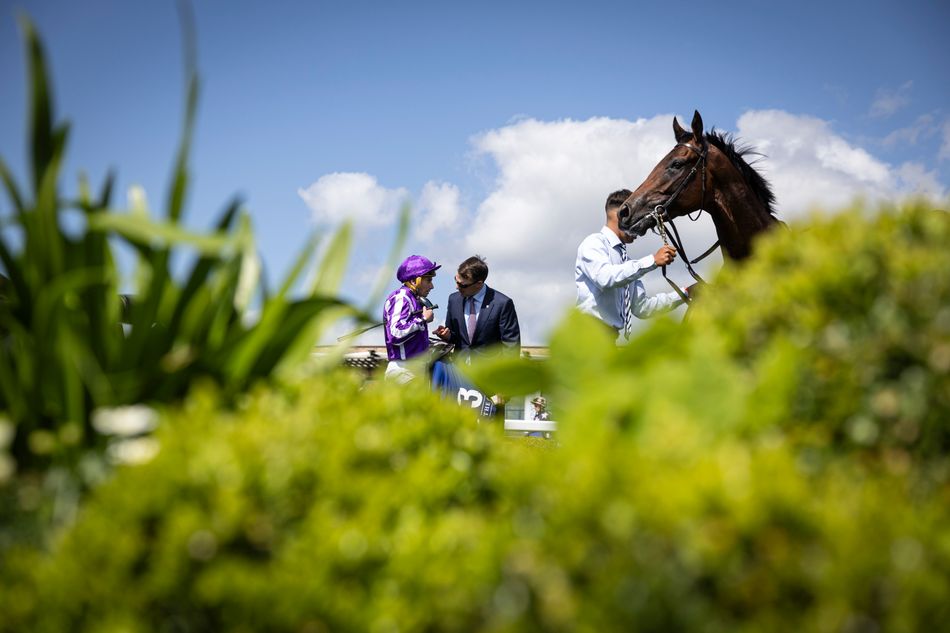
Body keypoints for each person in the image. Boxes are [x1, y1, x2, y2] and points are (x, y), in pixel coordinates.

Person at [575, 189, 692, 340]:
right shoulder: (594, 243)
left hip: (608, 339)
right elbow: (605, 278)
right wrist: (653, 261)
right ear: (623, 215)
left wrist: (685, 292)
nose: (640, 229)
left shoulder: (627, 263)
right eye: (636, 218)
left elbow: (643, 308)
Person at [434, 255, 520, 360]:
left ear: (479, 284)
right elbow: (456, 337)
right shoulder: (453, 300)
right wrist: (447, 336)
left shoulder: (502, 304)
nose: (457, 287)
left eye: (462, 285)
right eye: (456, 280)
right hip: (459, 370)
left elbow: (511, 346)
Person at [383, 255, 440, 383]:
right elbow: (395, 334)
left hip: (413, 371)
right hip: (404, 371)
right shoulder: (401, 298)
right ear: (415, 281)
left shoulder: (413, 299)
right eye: (428, 281)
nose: (432, 286)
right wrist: (423, 320)